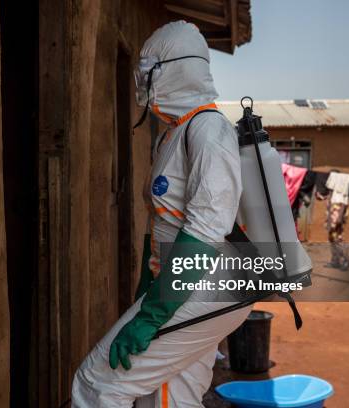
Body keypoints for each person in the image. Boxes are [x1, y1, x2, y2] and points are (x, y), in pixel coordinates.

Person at [71, 21, 251, 408]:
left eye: (148, 71)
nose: (141, 83)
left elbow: (205, 231)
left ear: (173, 71)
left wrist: (151, 314)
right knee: (169, 399)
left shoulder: (208, 130)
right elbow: (161, 223)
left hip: (207, 286)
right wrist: (145, 288)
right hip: (187, 286)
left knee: (98, 384)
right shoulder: (173, 133)